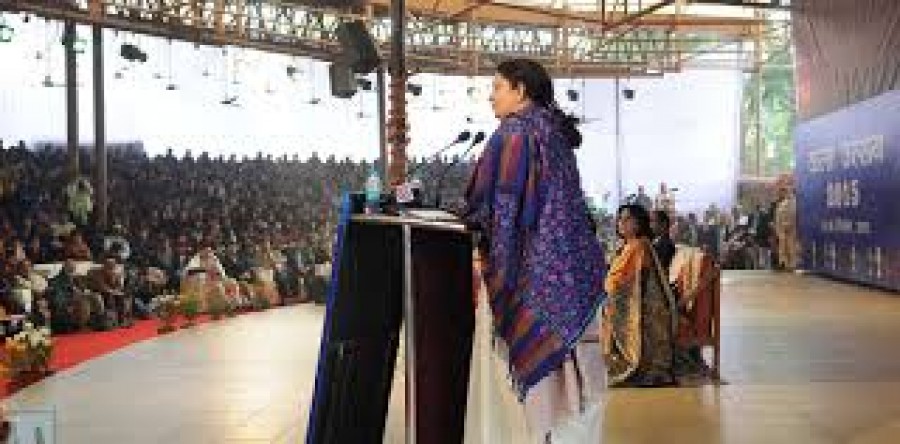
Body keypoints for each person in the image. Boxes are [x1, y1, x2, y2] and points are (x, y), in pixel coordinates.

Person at [462, 58, 607, 443]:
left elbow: (489, 208)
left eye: (497, 87)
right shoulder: (554, 132)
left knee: (542, 389)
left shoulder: (513, 134)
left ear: (520, 90)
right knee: (574, 380)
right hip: (575, 276)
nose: (491, 97)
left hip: (535, 280)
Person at [602, 204, 677, 387]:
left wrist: (605, 289)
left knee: (606, 306)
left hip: (643, 306)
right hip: (629, 298)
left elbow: (622, 283)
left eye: (627, 219)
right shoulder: (630, 245)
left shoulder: (638, 247)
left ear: (639, 223)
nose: (621, 223)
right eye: (620, 219)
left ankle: (624, 359)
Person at [650, 210, 676, 274]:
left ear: (664, 224)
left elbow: (660, 269)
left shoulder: (667, 245)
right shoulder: (656, 241)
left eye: (653, 221)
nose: (650, 225)